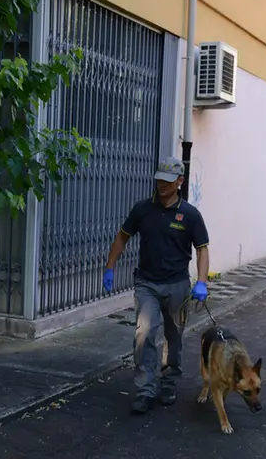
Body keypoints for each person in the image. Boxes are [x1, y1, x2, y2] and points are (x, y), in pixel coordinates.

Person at [103, 156, 210, 414]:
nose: (162, 185)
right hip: (147, 283)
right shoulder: (142, 209)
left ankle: (169, 383)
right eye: (160, 180)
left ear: (180, 182)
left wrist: (202, 282)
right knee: (144, 333)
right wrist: (110, 266)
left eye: (168, 181)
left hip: (177, 286)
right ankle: (145, 389)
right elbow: (122, 237)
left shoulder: (191, 215)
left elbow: (202, 250)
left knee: (174, 337)